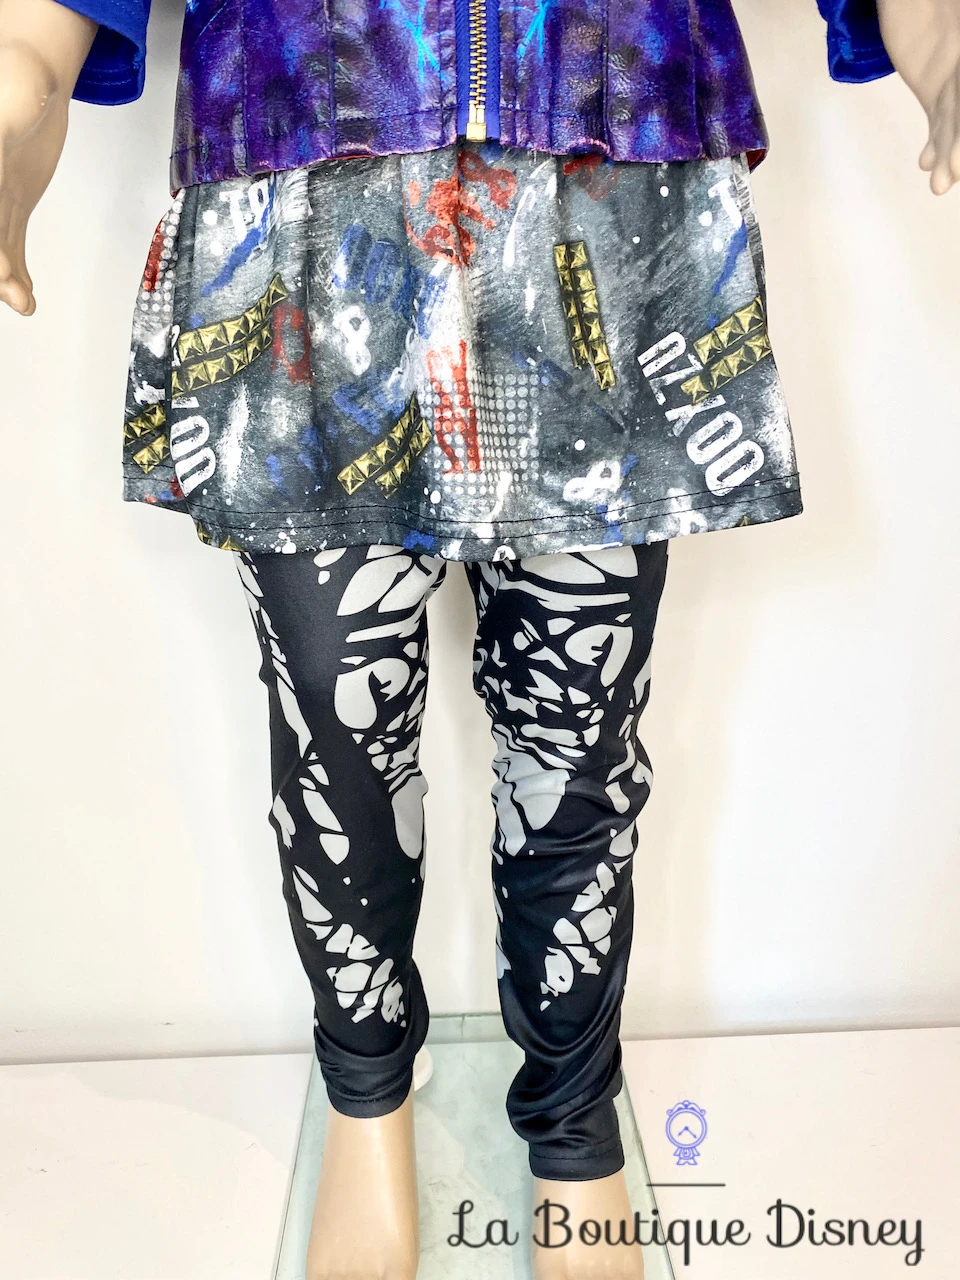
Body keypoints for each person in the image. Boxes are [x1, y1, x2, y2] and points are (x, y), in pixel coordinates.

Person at [0, 3, 957, 1278]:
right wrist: (19, 81)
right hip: (305, 190)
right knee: (334, 734)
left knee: (579, 738)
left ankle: (575, 1132)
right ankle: (365, 1106)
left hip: (606, 183)